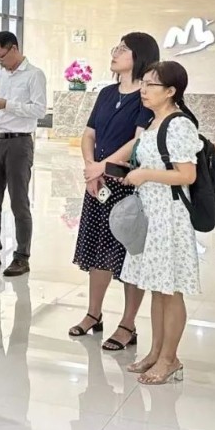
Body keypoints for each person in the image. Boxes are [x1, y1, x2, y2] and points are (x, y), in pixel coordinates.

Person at [69, 32, 160, 351]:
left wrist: (102, 168)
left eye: (123, 49)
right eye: (116, 47)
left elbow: (138, 141)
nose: (116, 52)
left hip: (125, 186)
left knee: (129, 255)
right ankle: (93, 314)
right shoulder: (107, 93)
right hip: (98, 185)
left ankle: (128, 324)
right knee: (98, 251)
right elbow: (88, 134)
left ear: (140, 56)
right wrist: (91, 167)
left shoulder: (146, 95)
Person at [121, 60, 203, 385]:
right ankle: (156, 352)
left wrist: (145, 174)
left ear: (170, 91)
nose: (143, 89)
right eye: (143, 83)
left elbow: (187, 175)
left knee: (171, 291)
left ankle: (170, 359)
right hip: (152, 213)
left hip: (169, 216)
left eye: (151, 85)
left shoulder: (179, 124)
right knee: (158, 287)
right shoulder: (154, 122)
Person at [0, 31, 47, 277]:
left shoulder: (34, 74)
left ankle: (22, 256)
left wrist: (7, 105)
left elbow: (39, 110)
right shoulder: (2, 74)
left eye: (1, 56)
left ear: (13, 48)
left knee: (19, 201)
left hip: (19, 143)